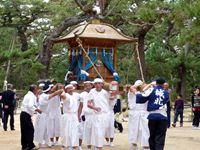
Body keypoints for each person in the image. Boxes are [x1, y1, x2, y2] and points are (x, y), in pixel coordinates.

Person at [136, 78, 169, 150]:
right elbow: (165, 100)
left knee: (152, 135)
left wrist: (146, 88)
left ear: (156, 83)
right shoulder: (166, 92)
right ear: (163, 84)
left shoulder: (151, 90)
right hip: (163, 116)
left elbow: (141, 98)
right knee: (160, 136)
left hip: (152, 116)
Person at [87, 78, 117, 150]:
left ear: (102, 84)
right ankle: (99, 147)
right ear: (94, 84)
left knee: (101, 132)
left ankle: (98, 146)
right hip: (96, 115)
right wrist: (94, 107)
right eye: (96, 83)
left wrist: (114, 84)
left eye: (99, 83)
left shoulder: (106, 92)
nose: (97, 85)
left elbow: (113, 94)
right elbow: (88, 104)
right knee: (97, 131)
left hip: (105, 115)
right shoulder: (91, 92)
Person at [128, 80, 149, 150]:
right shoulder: (132, 92)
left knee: (145, 130)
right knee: (134, 130)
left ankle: (145, 145)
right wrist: (137, 86)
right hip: (135, 113)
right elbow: (131, 88)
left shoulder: (145, 92)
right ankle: (133, 144)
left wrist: (144, 87)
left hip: (144, 113)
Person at [20, 84, 42, 150]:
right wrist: (37, 109)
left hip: (23, 114)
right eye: (37, 89)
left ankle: (24, 145)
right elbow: (30, 106)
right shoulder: (32, 96)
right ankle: (30, 146)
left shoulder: (28, 95)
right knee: (30, 130)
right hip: (26, 115)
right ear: (34, 90)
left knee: (24, 131)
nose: (38, 90)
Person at [60, 84, 80, 150]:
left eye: (71, 88)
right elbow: (62, 96)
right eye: (69, 88)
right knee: (66, 130)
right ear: (66, 89)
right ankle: (65, 145)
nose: (70, 89)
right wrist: (62, 90)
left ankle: (73, 145)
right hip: (67, 115)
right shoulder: (65, 95)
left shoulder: (76, 95)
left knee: (74, 131)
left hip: (74, 115)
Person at [80, 81, 93, 150]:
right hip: (85, 114)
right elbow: (81, 105)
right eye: (86, 86)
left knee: (93, 131)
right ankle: (81, 145)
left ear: (91, 86)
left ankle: (93, 145)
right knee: (82, 130)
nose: (88, 87)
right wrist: (81, 114)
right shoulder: (82, 94)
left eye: (89, 85)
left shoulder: (94, 93)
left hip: (93, 115)